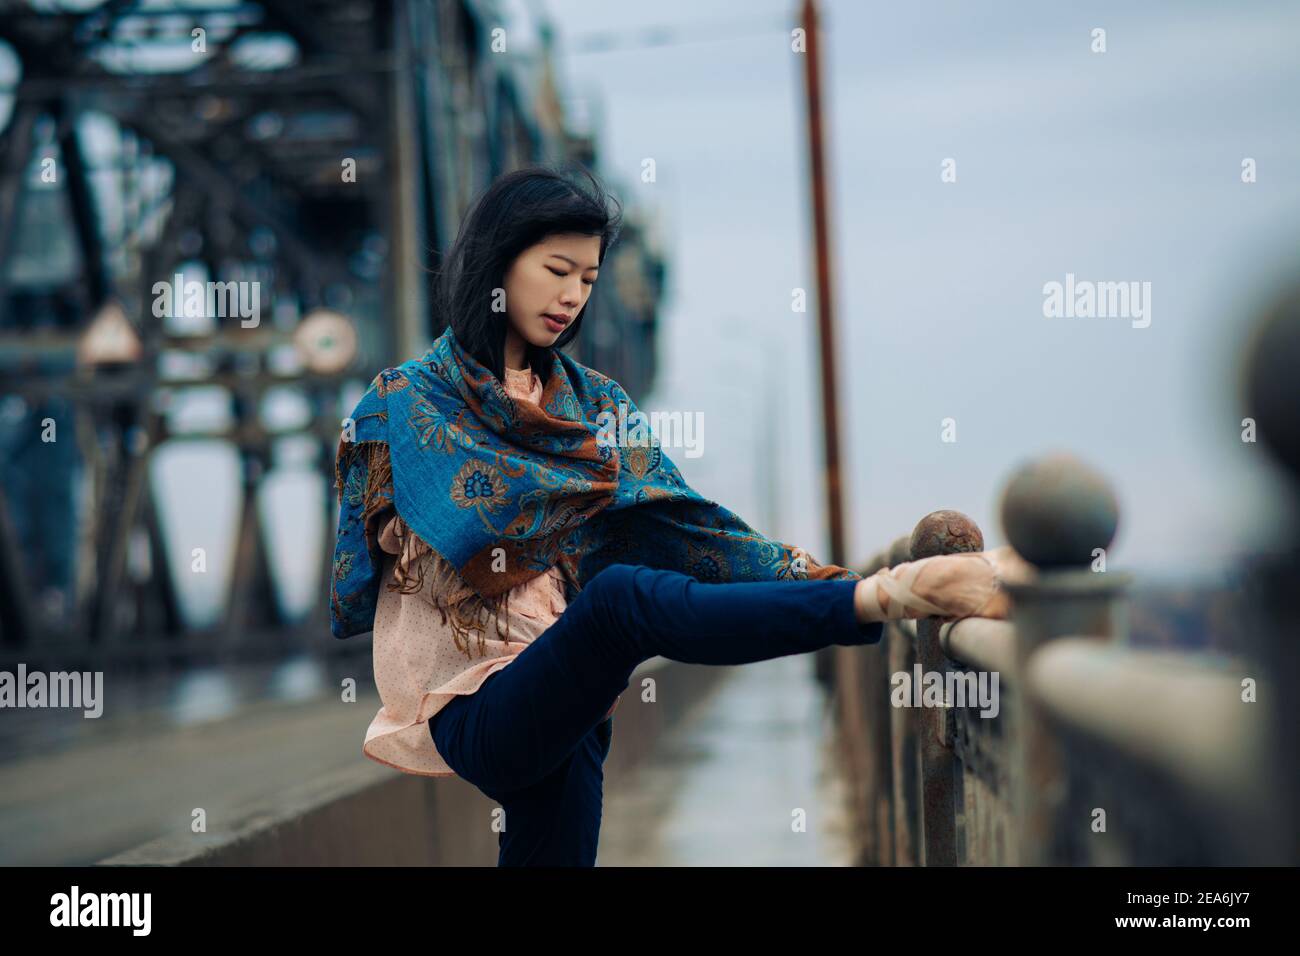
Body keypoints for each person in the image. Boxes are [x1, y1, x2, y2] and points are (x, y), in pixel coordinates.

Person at [329, 164, 1021, 866]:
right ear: (499, 260)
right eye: (558, 269)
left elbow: (687, 530)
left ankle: (883, 592)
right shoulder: (402, 404)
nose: (572, 297)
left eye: (589, 281)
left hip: (571, 695)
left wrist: (810, 577)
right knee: (621, 600)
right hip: (472, 706)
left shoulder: (596, 407)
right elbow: (362, 569)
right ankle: (894, 595)